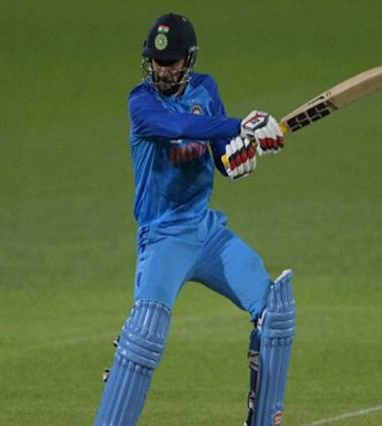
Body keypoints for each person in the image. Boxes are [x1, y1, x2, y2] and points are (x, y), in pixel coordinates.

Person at [94, 13, 295, 426]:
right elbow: (179, 125)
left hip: (206, 232)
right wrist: (240, 124)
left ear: (188, 59)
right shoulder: (141, 103)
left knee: (274, 312)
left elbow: (221, 153)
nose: (162, 70)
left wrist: (238, 155)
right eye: (156, 62)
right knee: (146, 333)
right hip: (163, 237)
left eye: (170, 62)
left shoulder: (206, 89)